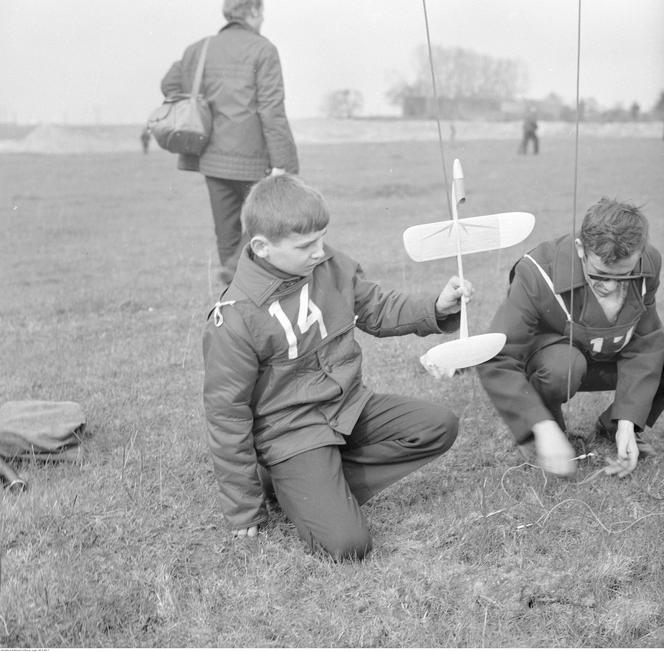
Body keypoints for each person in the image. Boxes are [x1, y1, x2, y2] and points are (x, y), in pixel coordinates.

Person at [202, 174, 473, 560]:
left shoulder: (329, 266)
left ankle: (311, 488)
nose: (319, 251)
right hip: (291, 431)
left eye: (322, 238)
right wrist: (244, 507)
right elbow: (226, 417)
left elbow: (378, 309)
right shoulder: (234, 318)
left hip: (348, 407)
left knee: (437, 426)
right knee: (350, 546)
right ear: (262, 247)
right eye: (305, 245)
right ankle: (296, 485)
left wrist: (436, 307)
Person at [477, 198, 664, 478]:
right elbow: (497, 356)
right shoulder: (536, 272)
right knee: (562, 366)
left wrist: (628, 421)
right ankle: (548, 431)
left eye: (623, 276)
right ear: (580, 249)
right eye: (600, 275)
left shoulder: (648, 261)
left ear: (638, 255)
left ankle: (613, 429)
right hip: (555, 363)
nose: (611, 287)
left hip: (605, 354)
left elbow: (645, 343)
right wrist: (539, 427)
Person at [161, 0, 299, 284]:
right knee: (264, 224)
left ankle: (233, 289)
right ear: (252, 12)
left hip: (211, 156)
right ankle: (238, 271)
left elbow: (169, 84)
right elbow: (272, 110)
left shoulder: (199, 48)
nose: (262, 20)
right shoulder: (263, 49)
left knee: (225, 232)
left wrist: (201, 103)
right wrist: (284, 164)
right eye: (262, 14)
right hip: (254, 158)